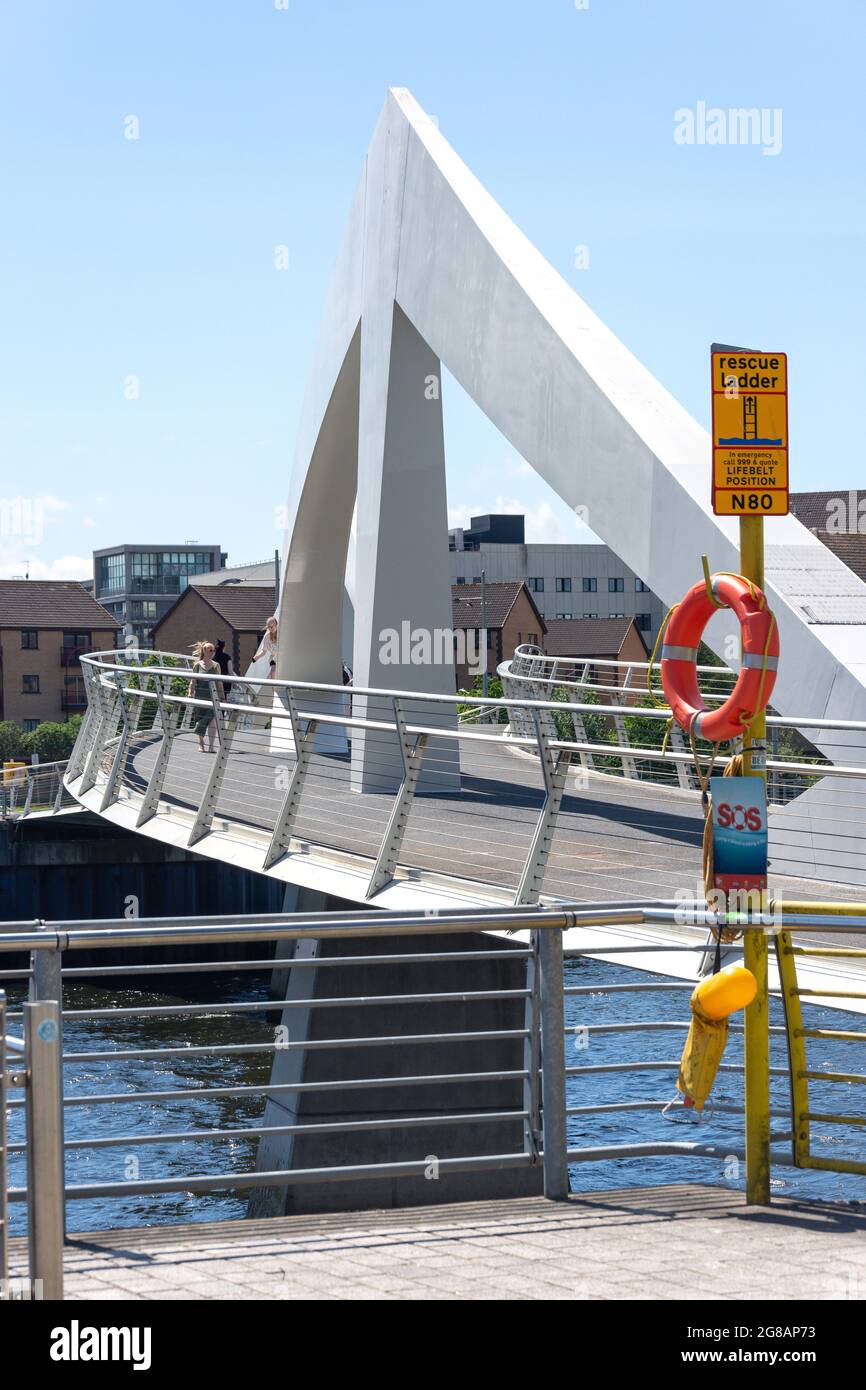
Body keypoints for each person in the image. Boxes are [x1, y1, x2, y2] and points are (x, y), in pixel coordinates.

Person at [188, 640, 219, 752]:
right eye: (210, 650)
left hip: (212, 698)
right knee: (200, 720)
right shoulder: (197, 665)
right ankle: (201, 743)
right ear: (204, 651)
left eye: (214, 650)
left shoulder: (216, 665)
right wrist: (190, 693)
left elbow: (219, 683)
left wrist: (223, 697)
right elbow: (193, 681)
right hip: (200, 698)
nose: (213, 652)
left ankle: (211, 746)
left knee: (212, 721)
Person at [213, 638, 235, 704]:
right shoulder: (227, 657)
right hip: (225, 682)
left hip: (215, 682)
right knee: (224, 700)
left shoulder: (213, 658)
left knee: (216, 699)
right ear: (224, 647)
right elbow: (230, 671)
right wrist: (234, 683)